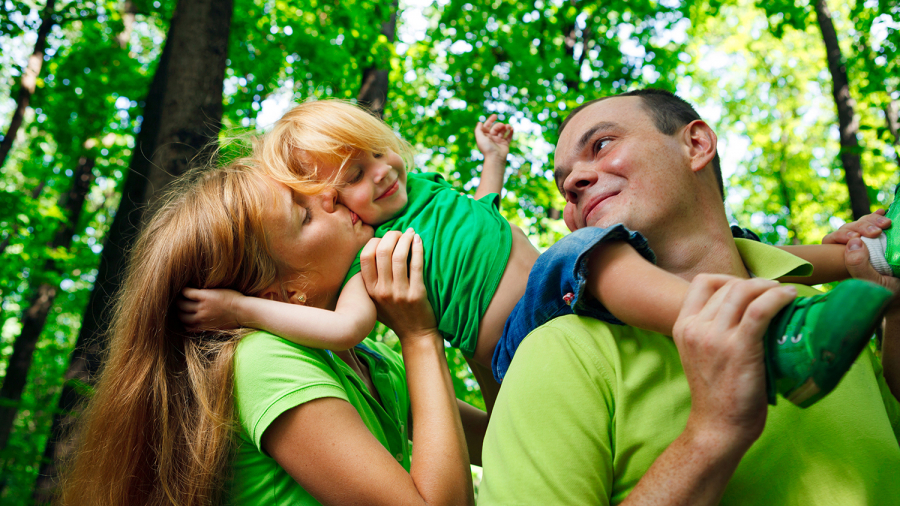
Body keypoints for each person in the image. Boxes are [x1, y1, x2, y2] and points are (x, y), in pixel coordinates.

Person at [183, 98, 889, 412]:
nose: (379, 175)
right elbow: (344, 330)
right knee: (589, 252)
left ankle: (860, 255)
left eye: (373, 155)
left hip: (562, 310)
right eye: (354, 183)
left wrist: (493, 159)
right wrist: (242, 307)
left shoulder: (427, 192)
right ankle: (769, 338)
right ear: (340, 210)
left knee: (678, 253)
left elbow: (483, 208)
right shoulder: (379, 256)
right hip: (520, 343)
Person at [479, 88, 900, 504]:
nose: (572, 182)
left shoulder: (822, 324)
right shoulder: (559, 353)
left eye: (601, 144)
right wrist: (710, 435)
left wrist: (887, 292)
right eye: (563, 183)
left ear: (696, 144)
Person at [59, 163, 485, 506]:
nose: (329, 194)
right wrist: (419, 336)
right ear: (285, 293)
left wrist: (476, 319)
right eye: (305, 214)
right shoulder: (263, 360)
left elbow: (496, 441)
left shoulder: (364, 356)